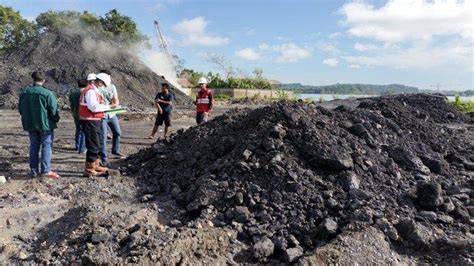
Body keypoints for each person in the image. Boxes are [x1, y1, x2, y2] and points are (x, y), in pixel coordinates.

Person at [18, 71, 60, 179]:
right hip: (45, 125)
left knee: (34, 146)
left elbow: (21, 109)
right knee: (46, 146)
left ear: (33, 79)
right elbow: (53, 110)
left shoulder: (25, 92)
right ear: (44, 80)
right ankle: (45, 170)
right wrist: (55, 119)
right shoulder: (48, 93)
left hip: (30, 124)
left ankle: (33, 170)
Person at [79, 73, 116, 177]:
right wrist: (108, 107)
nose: (103, 86)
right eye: (103, 84)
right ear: (99, 82)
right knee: (93, 145)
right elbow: (93, 107)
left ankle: (95, 164)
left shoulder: (93, 90)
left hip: (94, 120)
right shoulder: (90, 91)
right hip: (90, 121)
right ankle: (89, 169)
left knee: (97, 144)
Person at [97, 70, 124, 166]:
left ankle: (115, 150)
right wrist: (110, 105)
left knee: (117, 132)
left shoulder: (112, 86)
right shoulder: (97, 88)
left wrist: (115, 104)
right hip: (102, 115)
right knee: (103, 136)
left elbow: (116, 100)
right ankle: (103, 158)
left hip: (112, 114)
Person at [69, 79, 88, 154]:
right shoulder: (85, 93)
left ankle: (77, 145)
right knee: (83, 130)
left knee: (78, 129)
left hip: (75, 113)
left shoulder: (73, 92)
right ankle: (82, 147)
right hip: (83, 113)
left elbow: (71, 102)